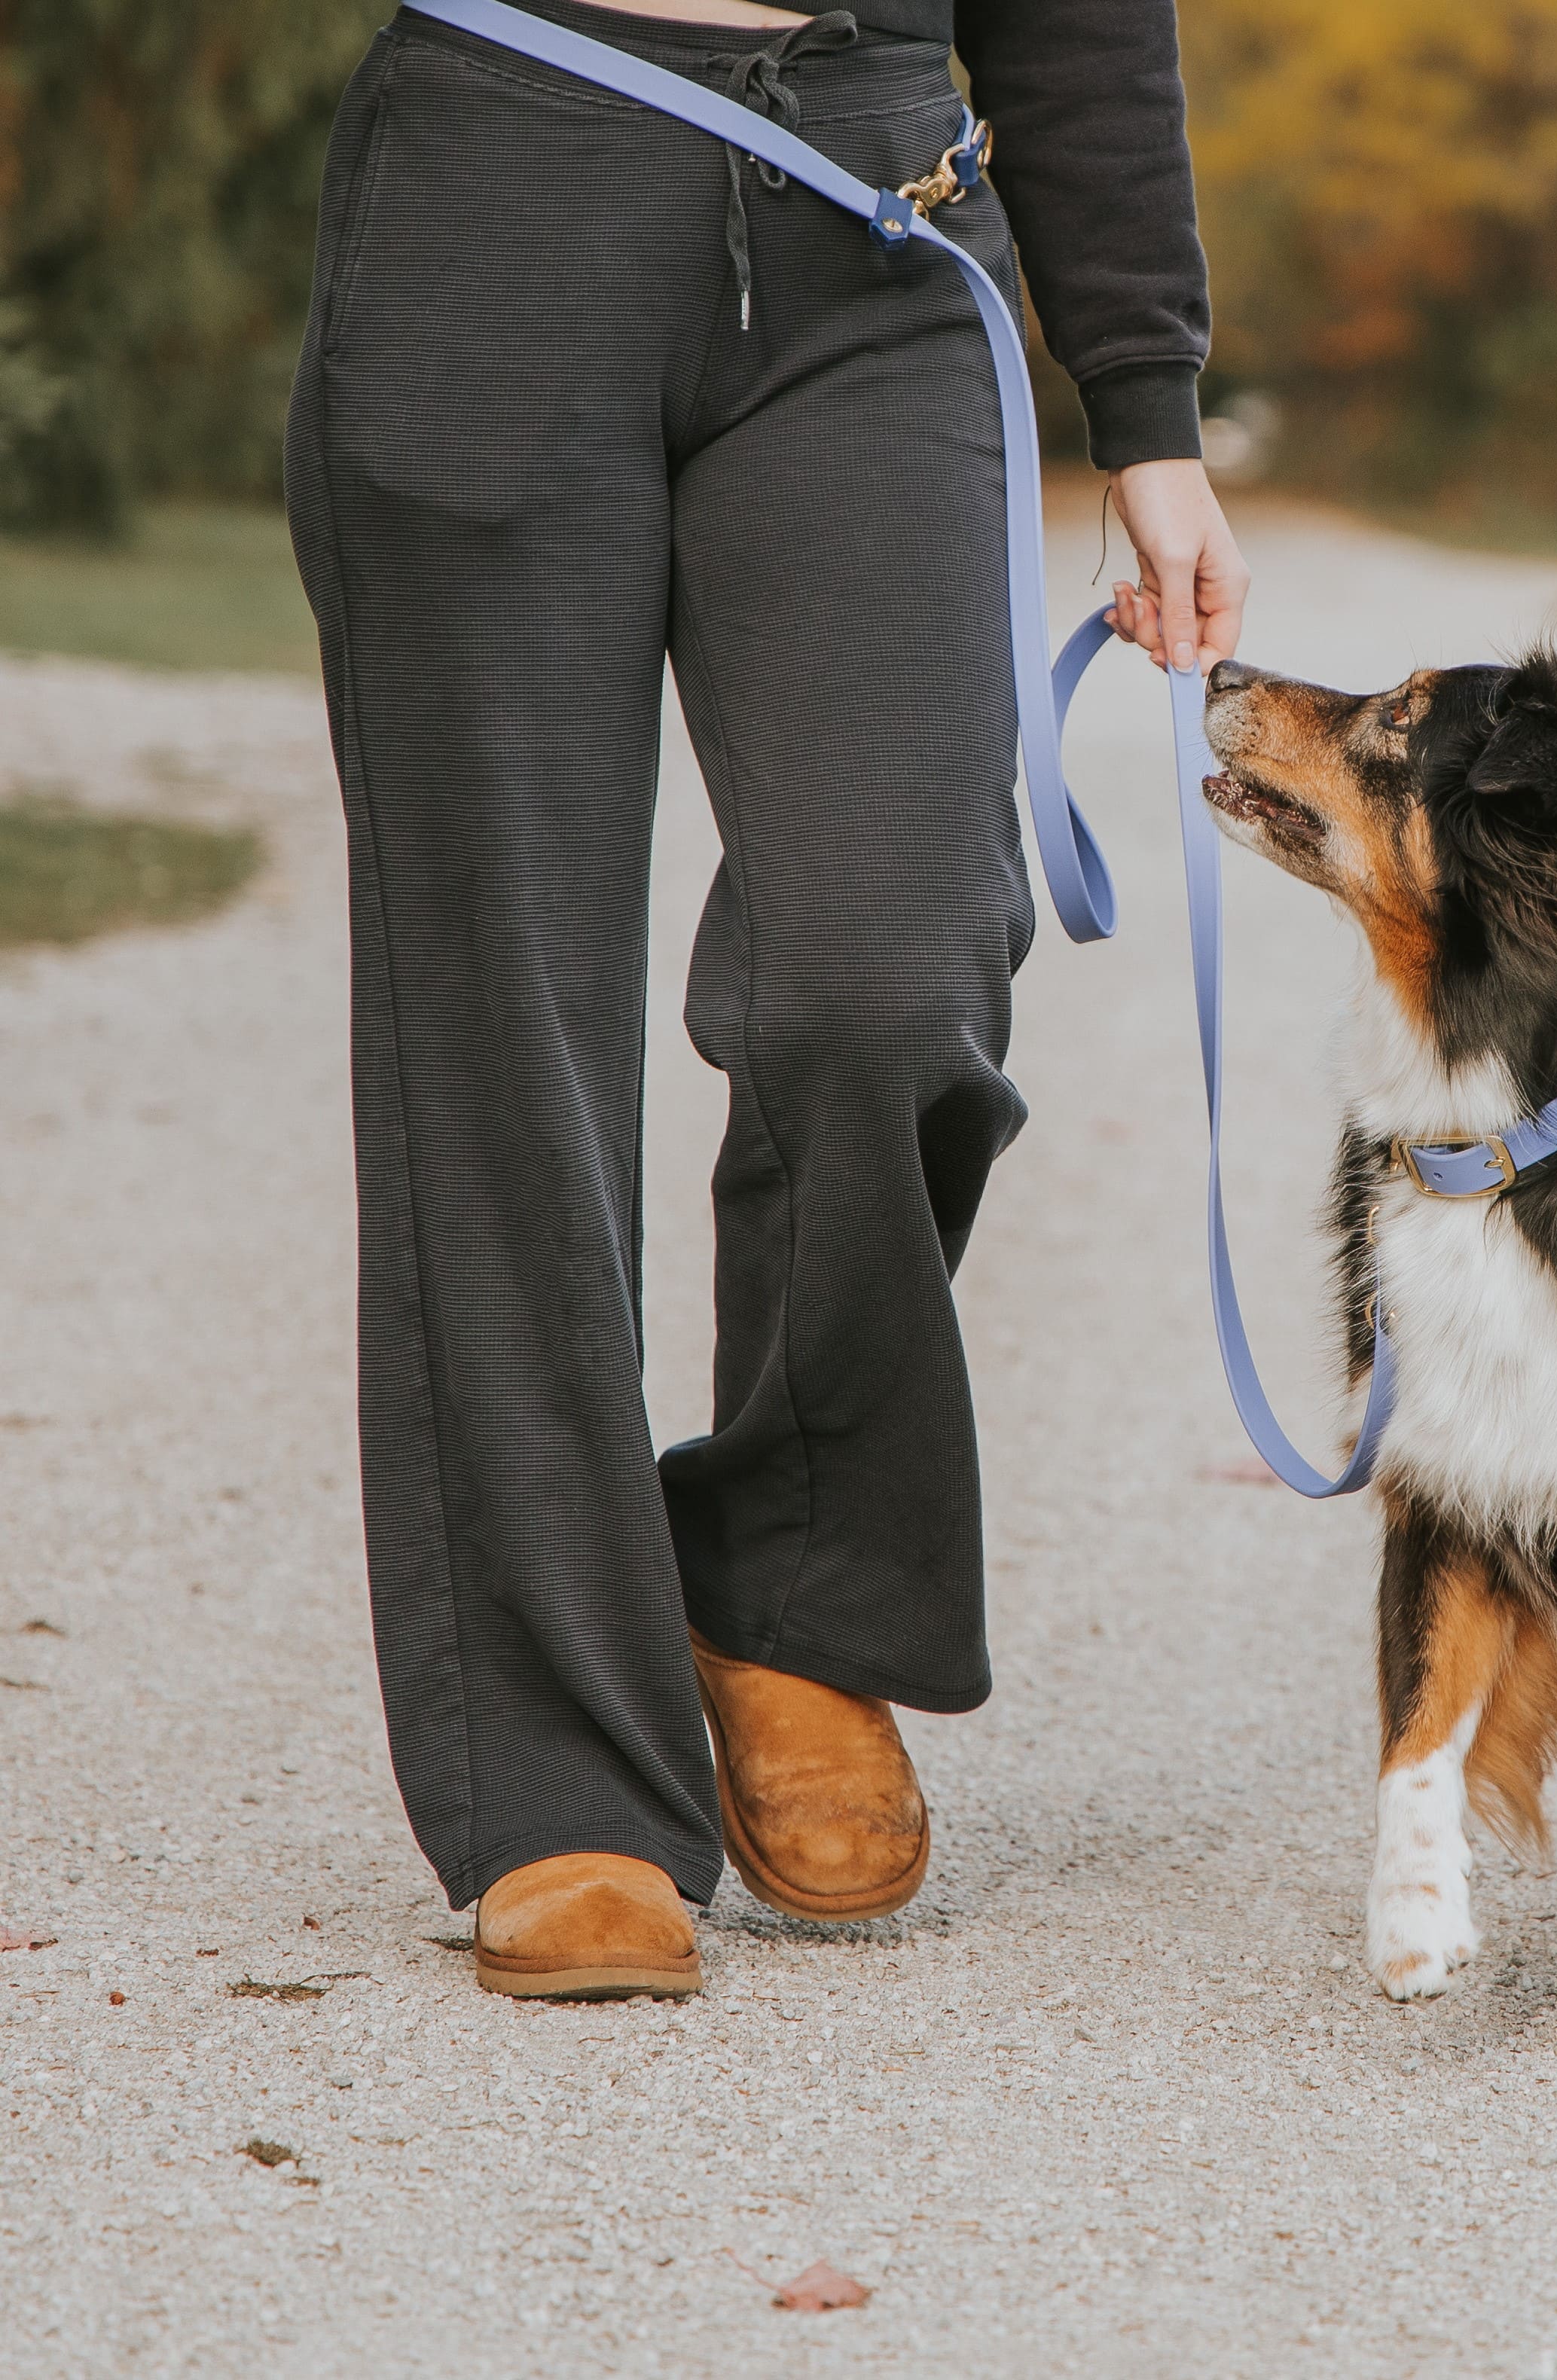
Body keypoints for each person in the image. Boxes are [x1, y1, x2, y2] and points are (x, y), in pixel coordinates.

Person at [285, 0, 1246, 1998]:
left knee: (890, 962)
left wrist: (1145, 403)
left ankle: (791, 1594)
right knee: (504, 1026)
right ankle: (558, 1780)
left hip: (870, 220)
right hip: (500, 175)